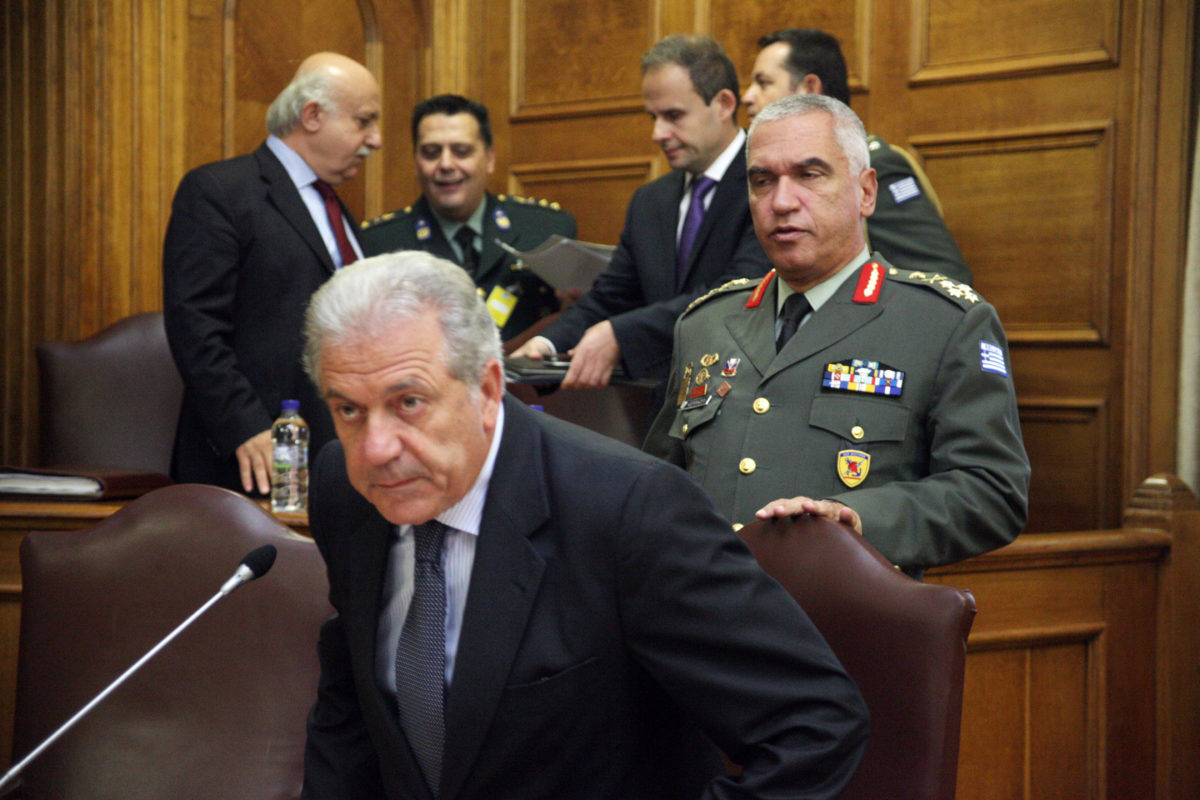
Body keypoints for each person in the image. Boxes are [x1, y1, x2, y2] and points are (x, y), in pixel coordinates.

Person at [299, 251, 869, 800]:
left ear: (488, 390)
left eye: (409, 403)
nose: (375, 449)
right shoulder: (344, 490)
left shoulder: (629, 510)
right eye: (348, 409)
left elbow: (815, 723)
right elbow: (353, 707)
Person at [643, 94, 1029, 577]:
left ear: (866, 193)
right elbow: (662, 482)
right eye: (762, 181)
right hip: (704, 607)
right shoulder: (705, 323)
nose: (782, 202)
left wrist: (860, 521)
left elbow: (992, 491)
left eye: (809, 175)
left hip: (839, 614)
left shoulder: (942, 324)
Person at [162, 52, 381, 494]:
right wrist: (245, 427)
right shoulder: (220, 191)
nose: (375, 140)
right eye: (363, 121)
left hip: (333, 462)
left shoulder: (336, 209)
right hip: (251, 466)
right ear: (312, 116)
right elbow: (195, 326)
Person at [511, 34, 770, 388]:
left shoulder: (767, 182)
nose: (658, 133)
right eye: (653, 117)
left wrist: (621, 334)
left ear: (724, 104)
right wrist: (546, 343)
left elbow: (738, 294)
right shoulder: (650, 201)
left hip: (743, 393)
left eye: (674, 116)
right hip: (661, 405)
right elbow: (612, 296)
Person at [742, 28, 972, 285]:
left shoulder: (875, 164)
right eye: (764, 181)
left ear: (809, 89)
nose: (747, 97)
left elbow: (942, 278)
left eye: (763, 83)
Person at [358, 94, 576, 342]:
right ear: (416, 162)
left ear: (489, 159)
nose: (446, 164)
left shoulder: (546, 229)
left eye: (461, 152)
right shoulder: (379, 244)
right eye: (431, 153)